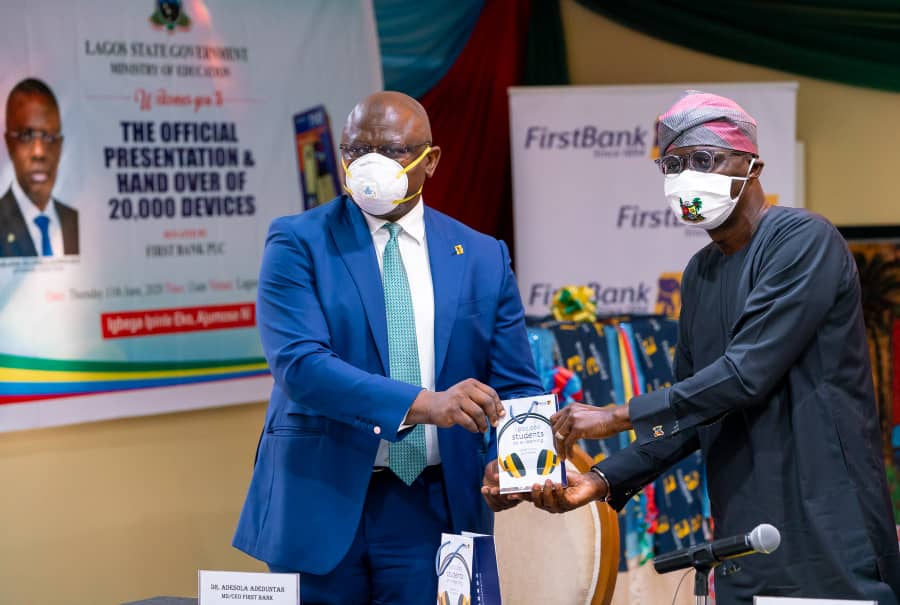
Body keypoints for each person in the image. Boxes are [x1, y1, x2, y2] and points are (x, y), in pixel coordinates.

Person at [494, 90, 900, 603]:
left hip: (827, 532)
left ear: (752, 165)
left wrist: (617, 415)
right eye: (673, 164)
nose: (686, 176)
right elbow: (692, 409)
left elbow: (744, 375)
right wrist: (600, 480)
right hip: (744, 538)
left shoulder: (802, 240)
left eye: (705, 159)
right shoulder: (700, 273)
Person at [233, 91, 542, 605]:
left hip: (439, 506)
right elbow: (301, 367)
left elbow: (516, 383)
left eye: (393, 150)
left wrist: (512, 461)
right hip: (319, 499)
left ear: (431, 160)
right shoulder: (297, 241)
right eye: (357, 150)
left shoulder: (482, 255)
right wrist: (425, 404)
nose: (370, 163)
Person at [0, 77, 78, 257]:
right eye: (26, 136)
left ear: (60, 146)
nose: (39, 152)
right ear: (9, 143)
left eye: (49, 137)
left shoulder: (75, 221)